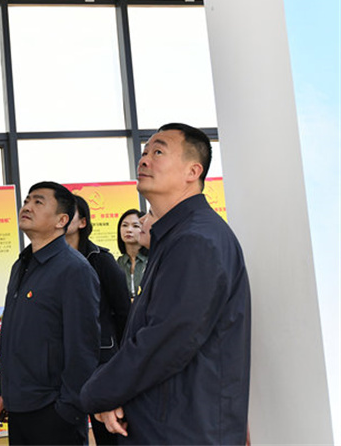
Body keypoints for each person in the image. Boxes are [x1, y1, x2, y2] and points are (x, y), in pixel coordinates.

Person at [80, 123, 251, 444]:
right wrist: (113, 394)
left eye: (158, 151)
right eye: (144, 152)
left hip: (183, 430)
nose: (144, 159)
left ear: (192, 171)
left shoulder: (196, 239)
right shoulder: (177, 236)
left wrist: (98, 392)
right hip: (167, 421)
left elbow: (165, 340)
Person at [0, 181, 100, 445]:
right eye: (27, 201)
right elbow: (10, 333)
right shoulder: (21, 265)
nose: (27, 206)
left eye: (38, 202)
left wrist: (68, 409)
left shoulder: (74, 269)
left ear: (62, 220)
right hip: (18, 406)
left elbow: (83, 347)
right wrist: (4, 390)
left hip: (53, 411)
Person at [65, 193, 130, 446]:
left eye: (69, 211)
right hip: (67, 359)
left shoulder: (100, 259)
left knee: (107, 431)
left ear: (82, 222)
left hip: (103, 359)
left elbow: (123, 312)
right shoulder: (50, 262)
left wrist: (122, 359)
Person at [115, 209, 147, 299]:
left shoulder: (152, 260)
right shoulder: (117, 263)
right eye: (124, 225)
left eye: (135, 226)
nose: (129, 230)